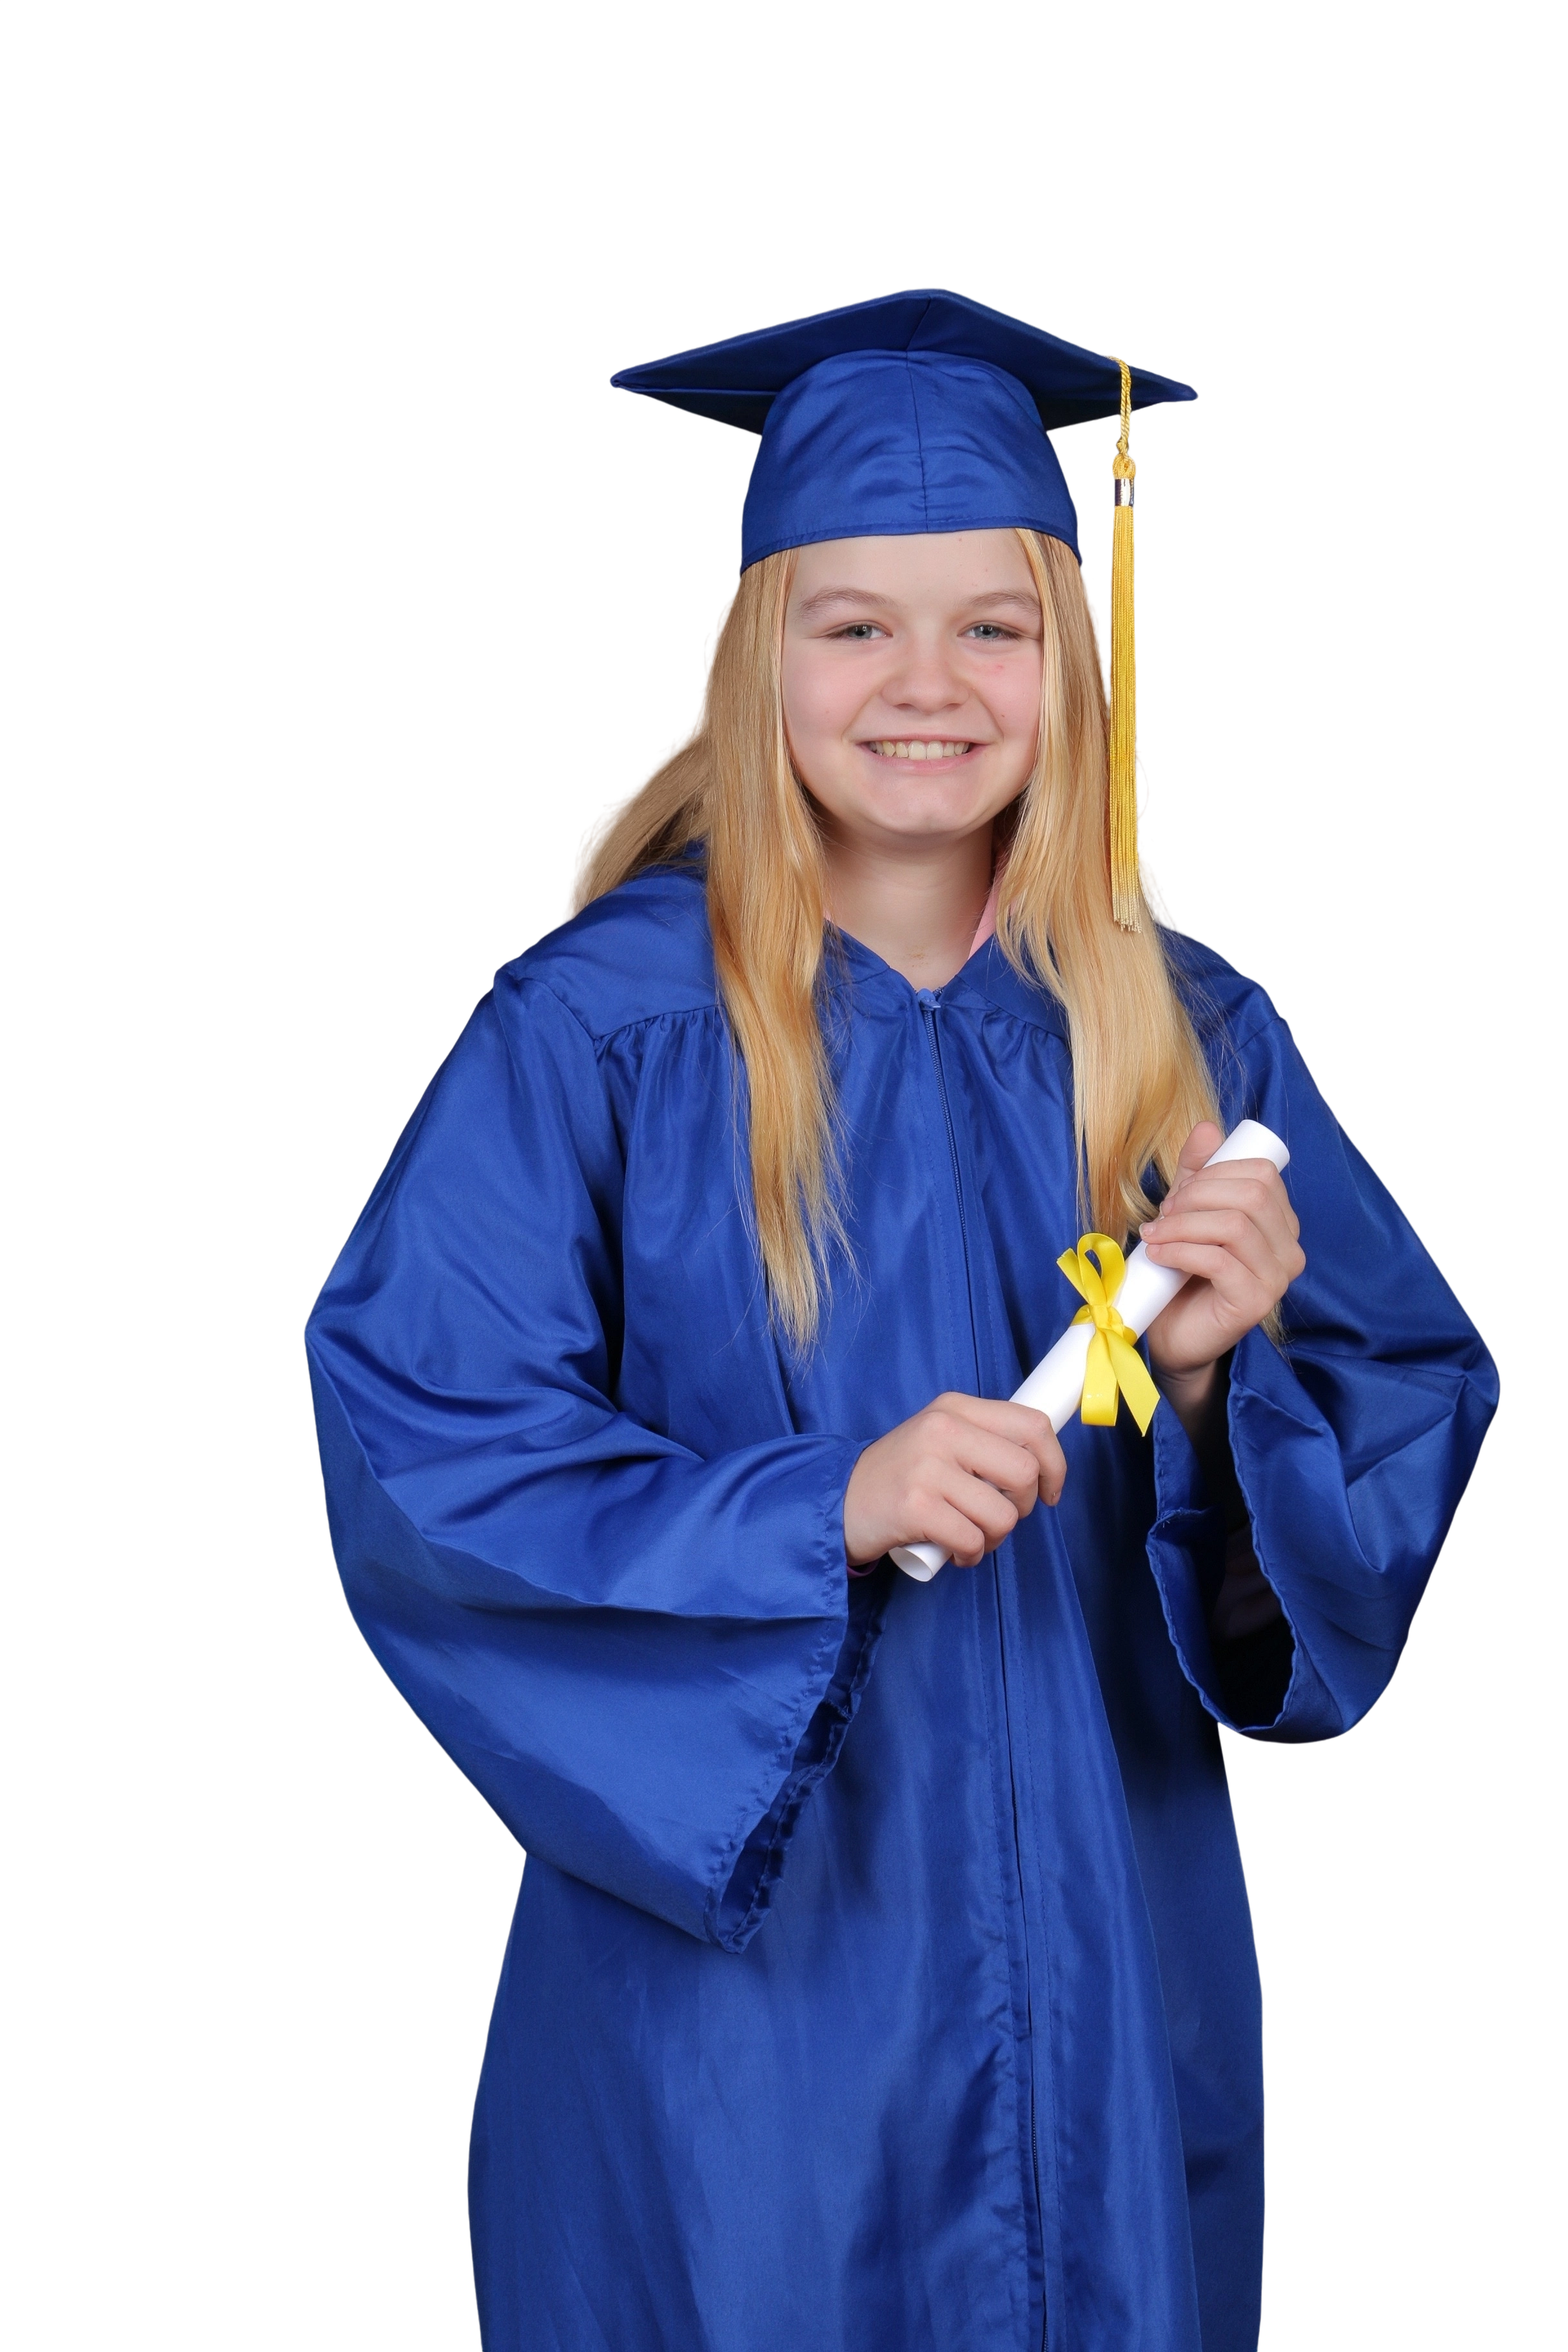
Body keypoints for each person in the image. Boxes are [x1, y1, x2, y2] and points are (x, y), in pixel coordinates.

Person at [302, 289, 1498, 2352]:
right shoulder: (599, 1029)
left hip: (1113, 1979)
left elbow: (1399, 1396)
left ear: (1075, 665)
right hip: (736, 2026)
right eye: (856, 625)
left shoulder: (1191, 1033)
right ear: (759, 657)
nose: (927, 686)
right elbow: (426, 1447)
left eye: (995, 628)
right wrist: (816, 1508)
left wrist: (1219, 1386)